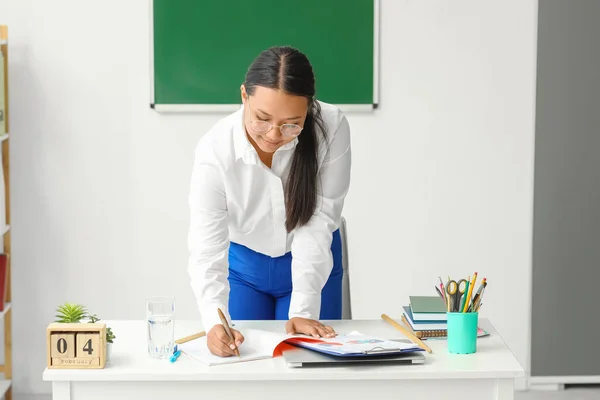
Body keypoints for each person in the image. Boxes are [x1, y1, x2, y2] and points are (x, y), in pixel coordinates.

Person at [187, 46, 351, 357]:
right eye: (261, 119)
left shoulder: (332, 127)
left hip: (313, 260)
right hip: (245, 269)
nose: (274, 134)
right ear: (244, 97)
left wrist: (303, 307)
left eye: (292, 123)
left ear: (309, 108)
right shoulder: (215, 150)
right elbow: (205, 246)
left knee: (312, 364)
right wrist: (212, 319)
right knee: (244, 366)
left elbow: (318, 221)